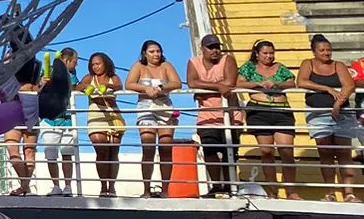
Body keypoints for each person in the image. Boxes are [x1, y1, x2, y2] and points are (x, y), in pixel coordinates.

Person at [298, 34, 359, 202]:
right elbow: (301, 81)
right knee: (325, 153)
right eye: (322, 50)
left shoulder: (338, 65)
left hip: (342, 113)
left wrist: (338, 103)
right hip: (318, 114)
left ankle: (349, 193)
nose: (326, 53)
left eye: (329, 50)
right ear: (314, 51)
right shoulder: (307, 63)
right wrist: (326, 88)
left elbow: (349, 85)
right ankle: (330, 192)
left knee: (344, 153)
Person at [240, 39, 298, 198]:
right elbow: (238, 82)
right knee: (266, 152)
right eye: (265, 53)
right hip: (259, 110)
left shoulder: (279, 67)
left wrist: (276, 83)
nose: (269, 56)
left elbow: (292, 82)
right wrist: (259, 84)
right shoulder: (248, 68)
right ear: (257, 54)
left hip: (282, 111)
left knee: (286, 152)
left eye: (271, 53)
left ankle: (291, 190)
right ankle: (273, 191)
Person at [127, 41, 183, 198]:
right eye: (152, 51)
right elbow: (129, 83)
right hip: (145, 107)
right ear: (145, 53)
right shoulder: (138, 66)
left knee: (165, 148)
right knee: (148, 147)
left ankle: (165, 190)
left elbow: (177, 82)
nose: (156, 54)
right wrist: (145, 88)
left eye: (158, 51)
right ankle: (146, 189)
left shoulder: (166, 65)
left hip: (164, 108)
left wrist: (161, 89)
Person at [188, 34, 241, 198]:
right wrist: (218, 86)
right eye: (211, 47)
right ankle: (217, 186)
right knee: (209, 149)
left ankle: (230, 185)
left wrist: (205, 89)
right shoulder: (194, 62)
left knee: (229, 151)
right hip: (207, 115)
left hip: (230, 114)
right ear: (203, 49)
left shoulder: (228, 60)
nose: (215, 50)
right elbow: (192, 82)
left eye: (217, 47)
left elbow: (230, 82)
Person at [81, 51, 127, 198]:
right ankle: (103, 186)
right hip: (96, 117)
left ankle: (111, 187)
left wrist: (107, 85)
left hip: (113, 115)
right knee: (101, 150)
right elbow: (78, 86)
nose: (95, 67)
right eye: (93, 64)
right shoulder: (90, 78)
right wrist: (86, 89)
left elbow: (119, 86)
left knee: (113, 153)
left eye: (98, 64)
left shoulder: (113, 78)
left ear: (105, 63)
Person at [41, 48, 80, 196]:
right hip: (50, 119)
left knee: (67, 153)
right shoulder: (46, 71)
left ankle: (68, 186)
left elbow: (76, 86)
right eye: (75, 62)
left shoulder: (72, 75)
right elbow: (40, 86)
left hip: (66, 119)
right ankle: (56, 185)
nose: (75, 66)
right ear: (67, 60)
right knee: (51, 153)